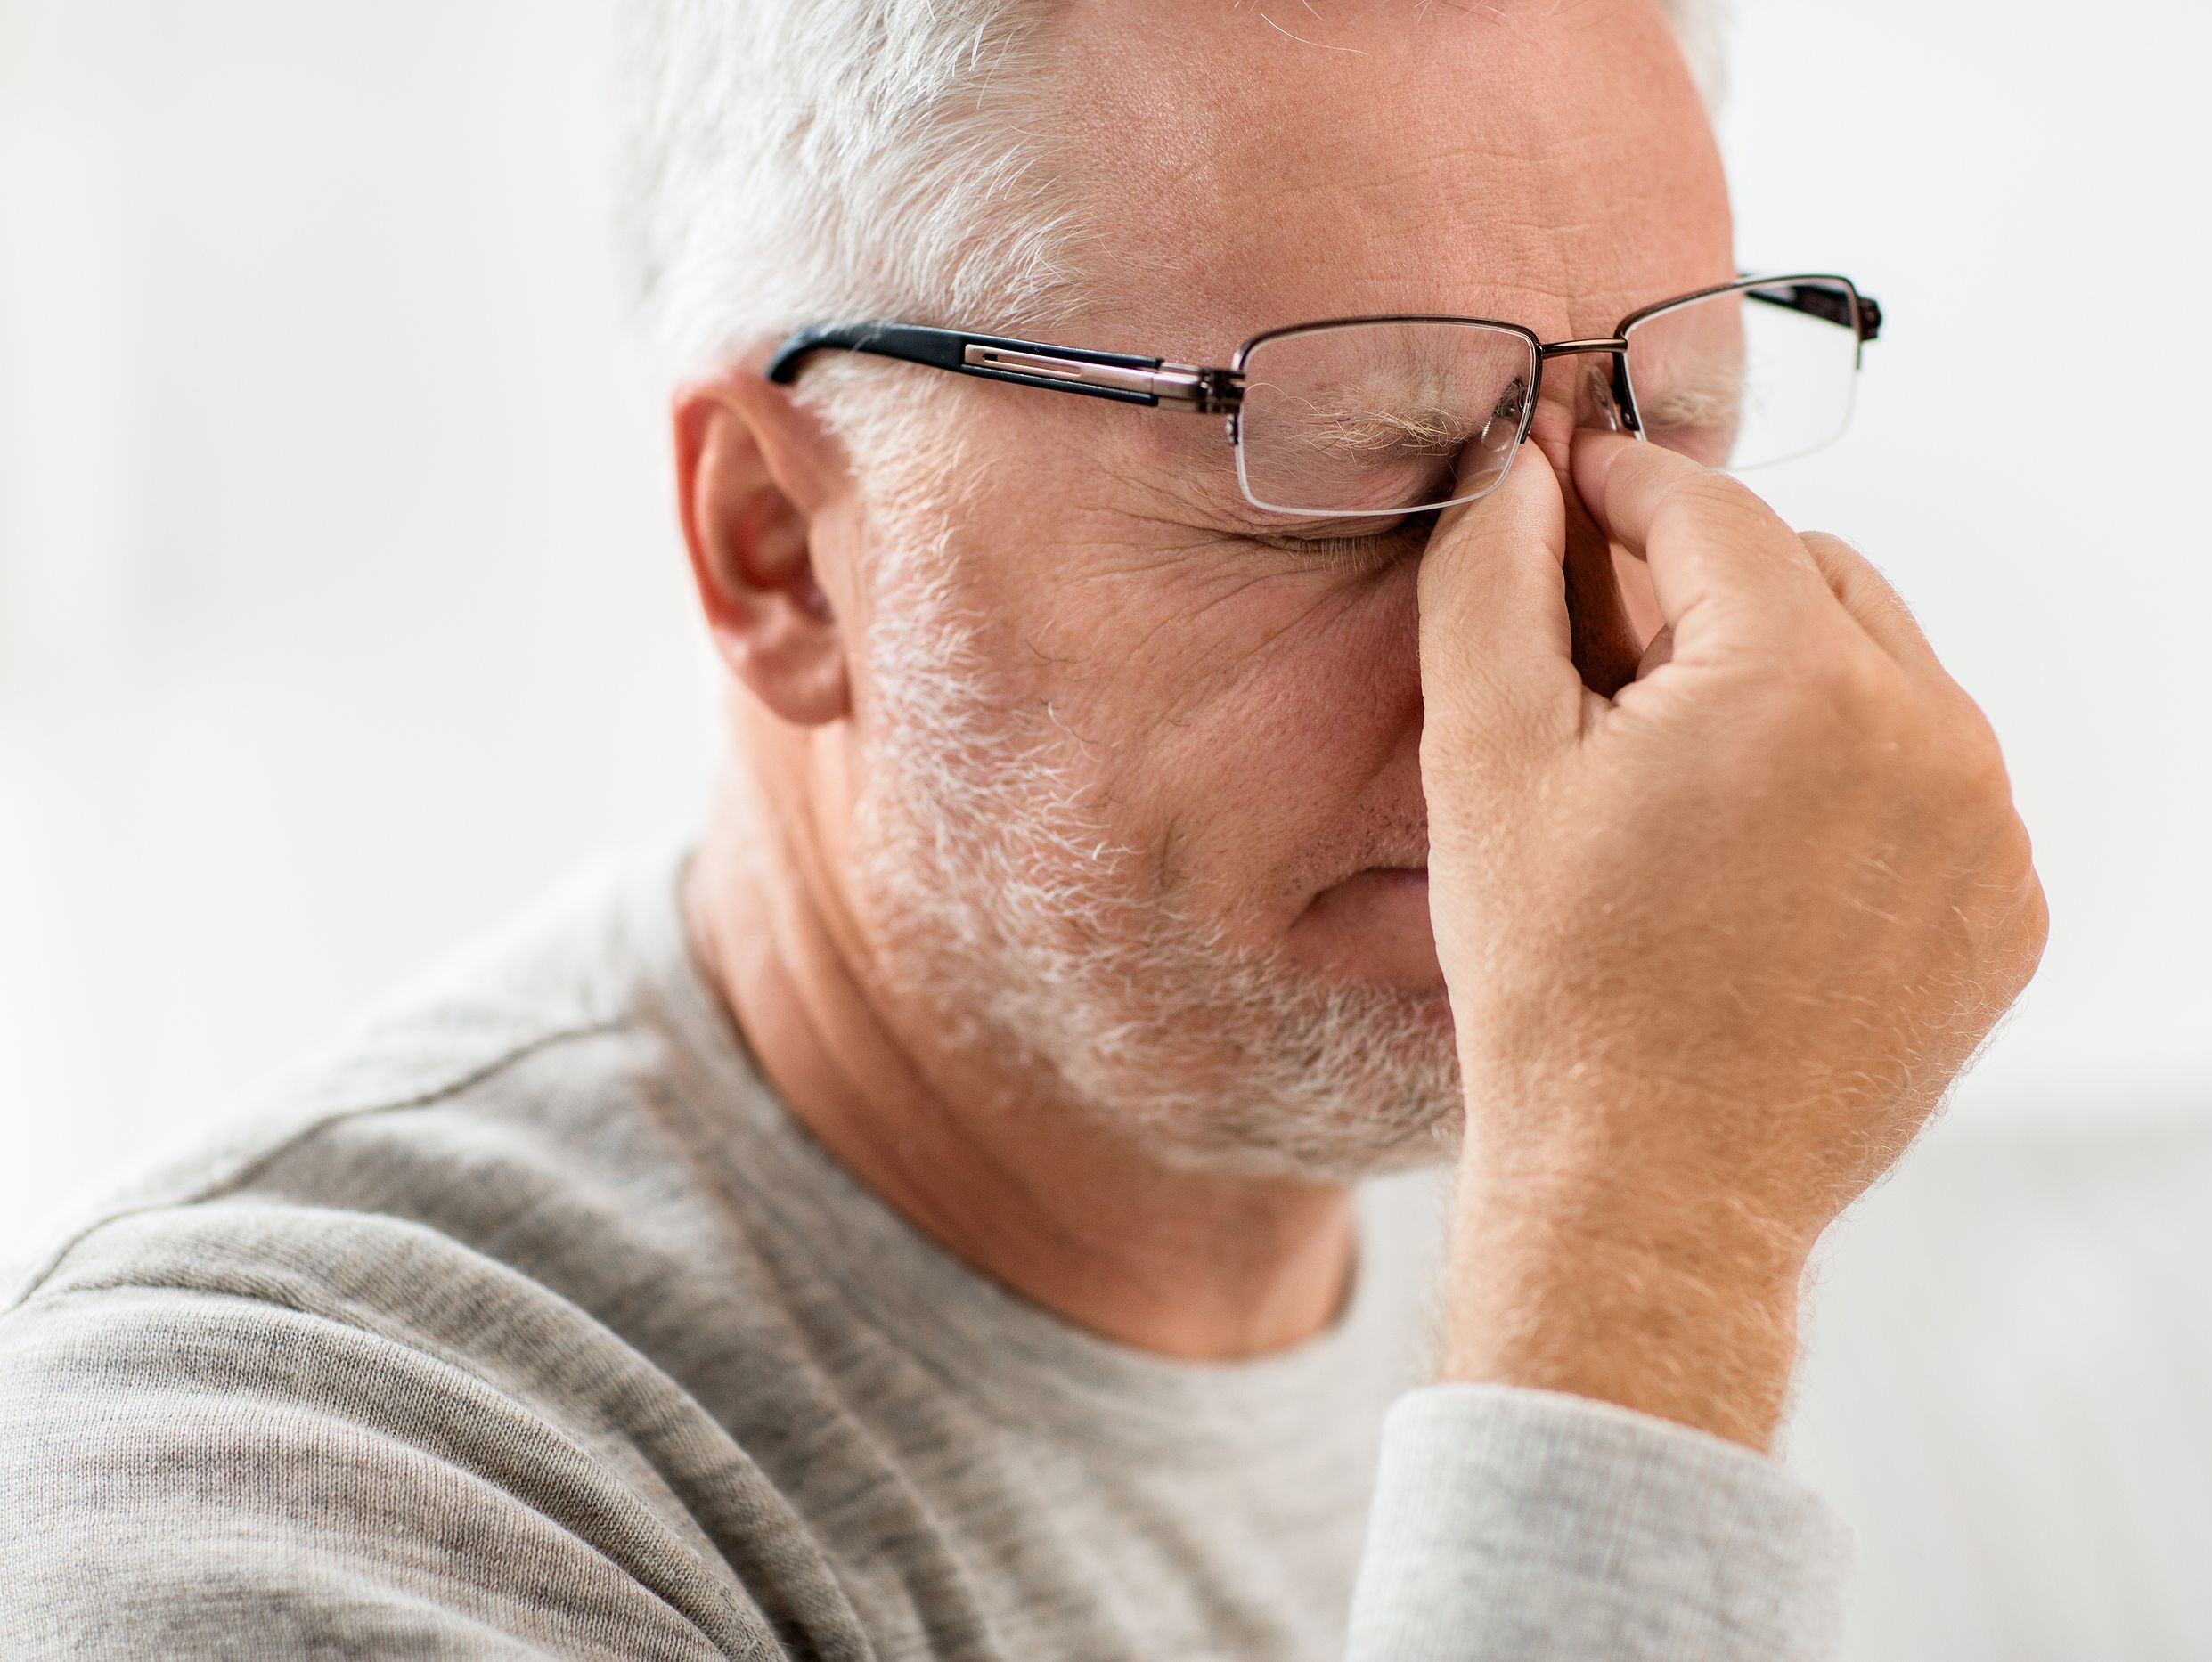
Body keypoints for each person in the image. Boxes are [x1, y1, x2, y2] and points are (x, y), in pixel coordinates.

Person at [0, 1, 2045, 1657]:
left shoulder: (1697, 1196)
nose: (1599, 643)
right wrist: (1645, 1254)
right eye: (1339, 462)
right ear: (780, 549)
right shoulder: (265, 1479)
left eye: (1662, 428)